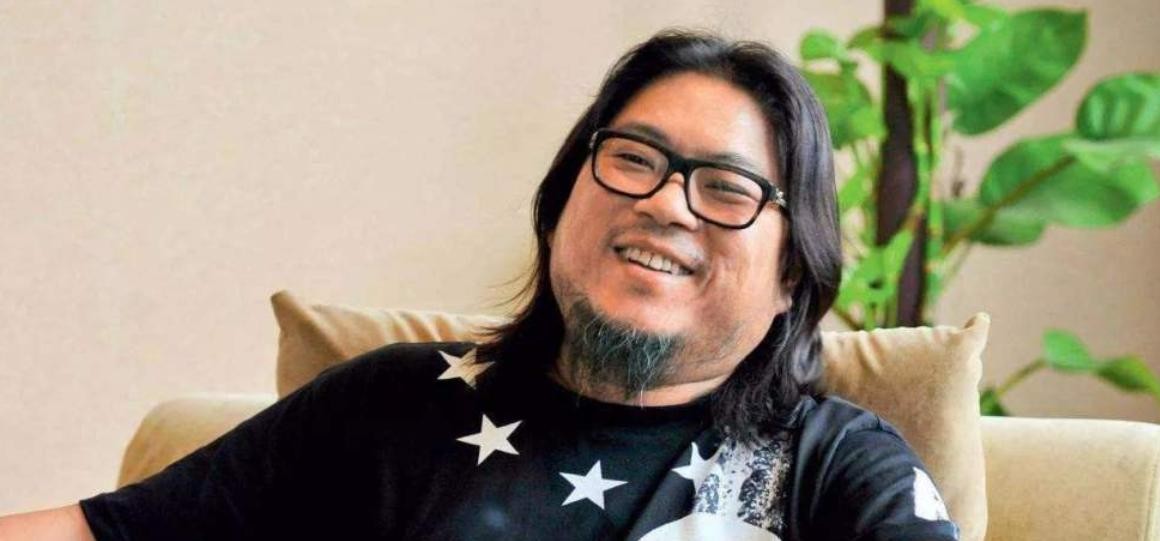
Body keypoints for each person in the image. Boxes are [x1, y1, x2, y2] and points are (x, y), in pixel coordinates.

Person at [0, 30, 959, 540]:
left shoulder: (839, 467)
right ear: (563, 202)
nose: (667, 203)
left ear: (792, 273)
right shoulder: (387, 402)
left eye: (726, 188)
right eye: (633, 158)